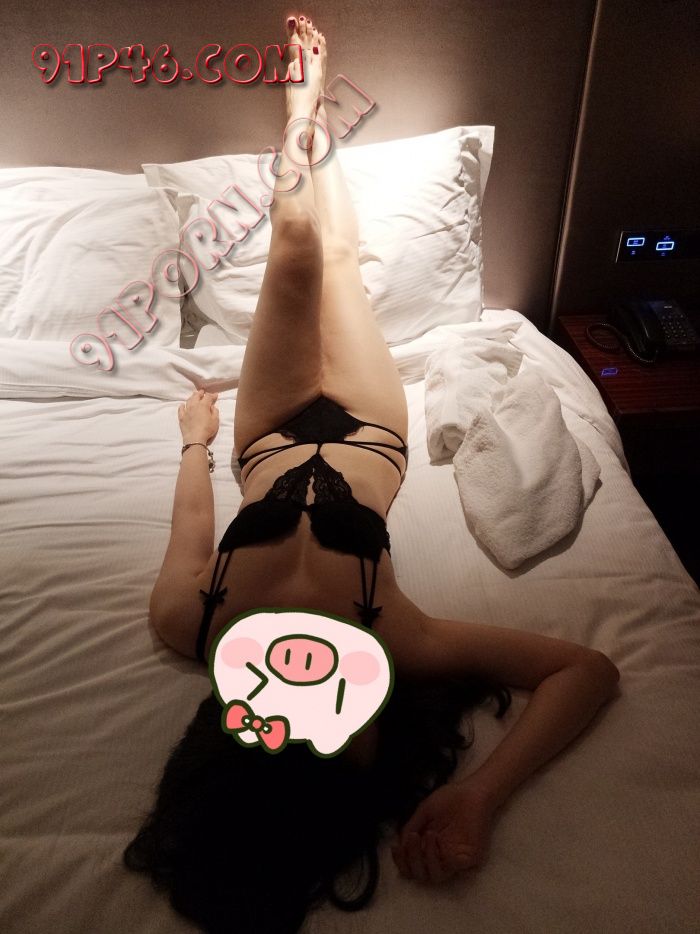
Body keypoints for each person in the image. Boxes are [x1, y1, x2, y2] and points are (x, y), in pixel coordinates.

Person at [123, 14, 619, 934]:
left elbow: (191, 535)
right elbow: (586, 671)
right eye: (341, 724)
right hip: (368, 431)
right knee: (338, 259)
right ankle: (311, 119)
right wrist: (480, 795)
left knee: (297, 249)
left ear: (233, 727)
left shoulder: (189, 624)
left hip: (265, 436)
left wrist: (195, 442)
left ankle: (302, 113)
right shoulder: (398, 639)